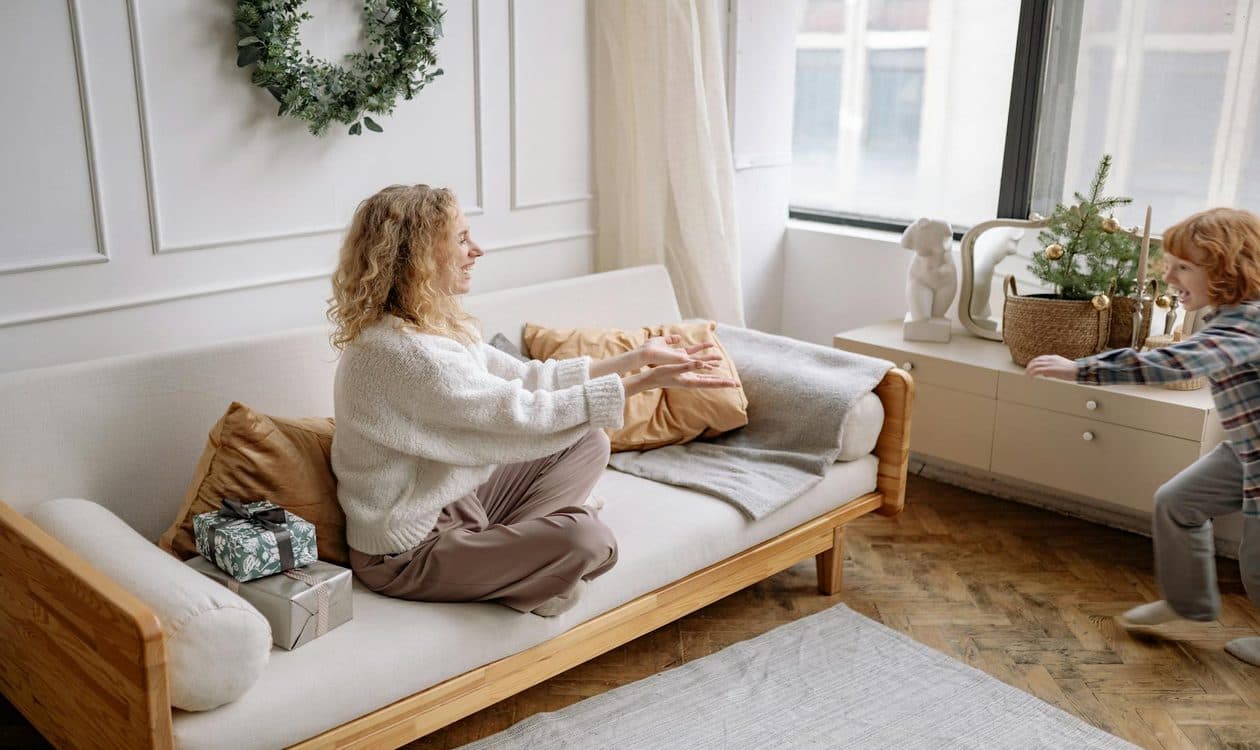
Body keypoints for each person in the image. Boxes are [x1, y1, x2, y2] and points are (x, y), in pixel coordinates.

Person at [326, 184, 738, 617]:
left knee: (587, 441)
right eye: (462, 239)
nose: (477, 250)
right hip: (407, 552)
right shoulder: (403, 355)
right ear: (420, 257)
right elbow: (519, 415)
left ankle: (518, 563)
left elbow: (526, 377)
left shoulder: (431, 327)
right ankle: (526, 570)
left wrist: (637, 359)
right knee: (590, 539)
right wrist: (642, 383)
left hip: (458, 500)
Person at [1026, 207, 1260, 666]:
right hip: (1246, 449)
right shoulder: (1232, 317)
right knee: (1178, 502)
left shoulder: (1245, 324)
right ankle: (1189, 603)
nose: (1168, 275)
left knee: (1257, 564)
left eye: (1183, 267)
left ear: (1226, 271)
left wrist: (1081, 369)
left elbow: (1177, 362)